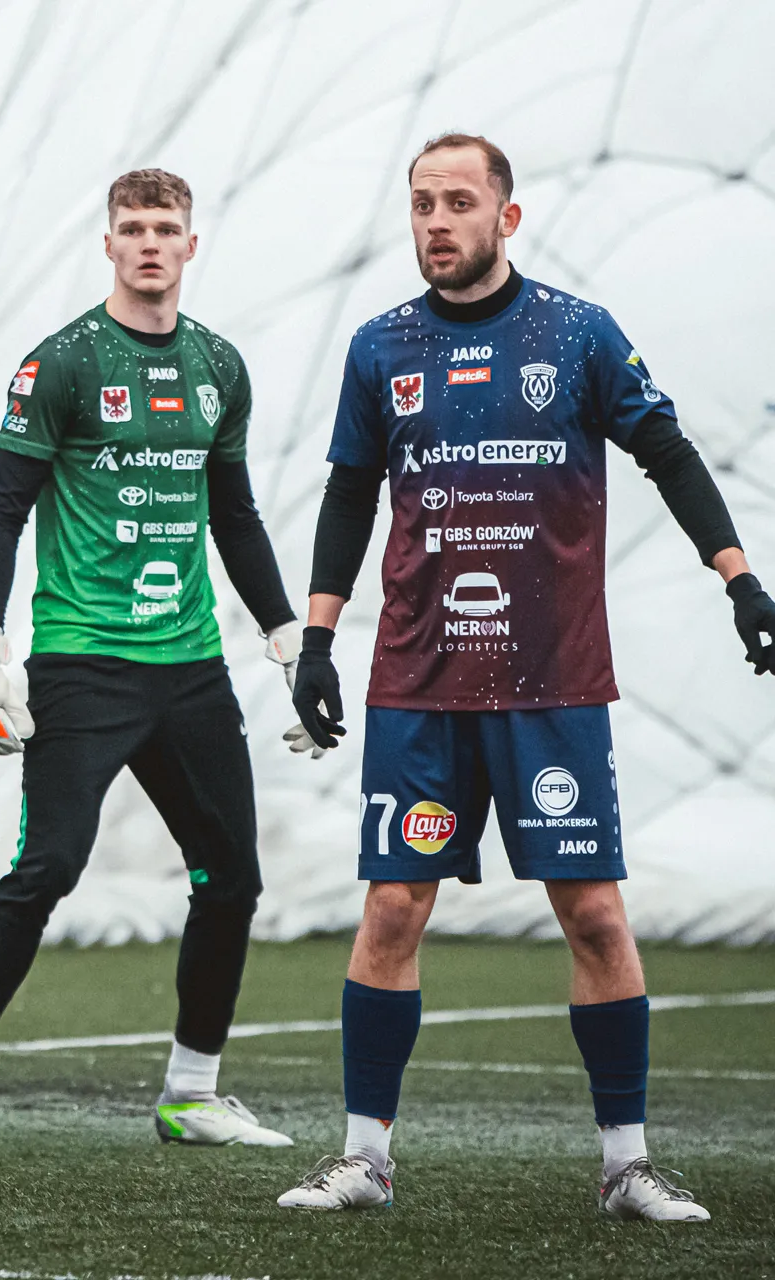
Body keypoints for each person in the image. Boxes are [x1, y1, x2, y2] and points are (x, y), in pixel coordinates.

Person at [277, 133, 775, 1219]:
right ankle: (364, 1158)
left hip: (553, 685)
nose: (436, 221)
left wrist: (740, 581)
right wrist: (316, 641)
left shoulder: (578, 334)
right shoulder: (380, 346)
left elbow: (669, 452)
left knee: (593, 913)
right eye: (422, 203)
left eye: (459, 202)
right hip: (419, 684)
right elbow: (350, 493)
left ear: (507, 217)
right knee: (392, 907)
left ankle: (626, 1165)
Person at [0, 169, 312, 1148]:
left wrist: (291, 641)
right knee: (48, 865)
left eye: (166, 227)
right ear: (109, 244)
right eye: (133, 227)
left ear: (190, 244)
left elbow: (234, 514)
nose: (149, 243)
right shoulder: (63, 363)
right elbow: (1, 508)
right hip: (84, 661)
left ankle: (191, 1093)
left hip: (192, 666)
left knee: (233, 876)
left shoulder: (220, 365)